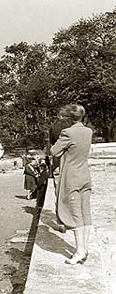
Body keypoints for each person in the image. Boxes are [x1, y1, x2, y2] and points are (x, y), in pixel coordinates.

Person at [51, 104, 92, 265]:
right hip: (85, 176)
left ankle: (80, 251)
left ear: (69, 118)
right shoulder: (88, 132)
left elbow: (54, 151)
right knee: (85, 212)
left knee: (75, 215)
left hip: (72, 178)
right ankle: (85, 248)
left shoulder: (67, 133)